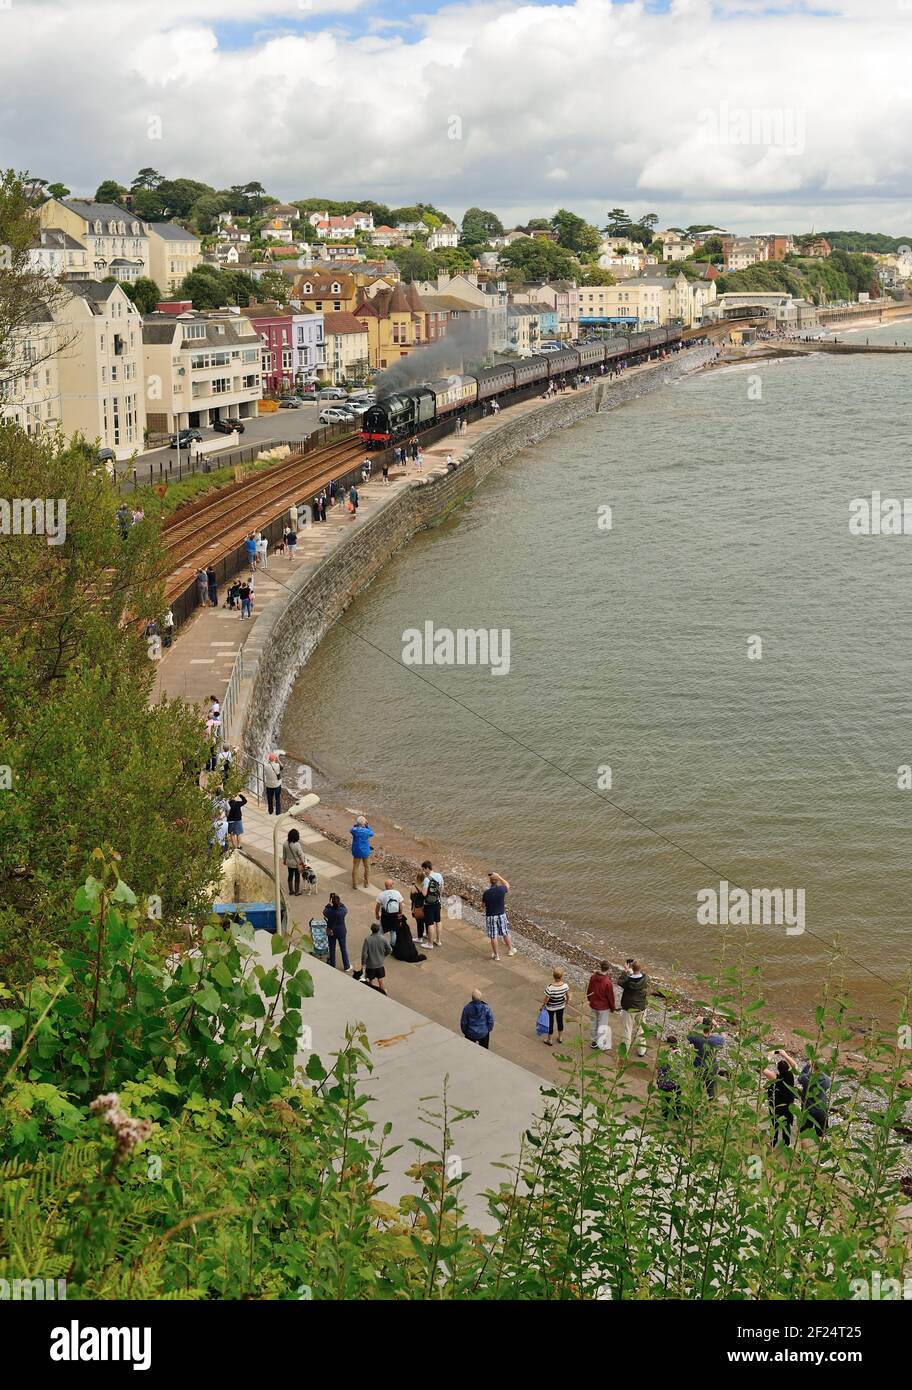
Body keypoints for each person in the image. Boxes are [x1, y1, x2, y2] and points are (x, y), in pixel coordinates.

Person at [686, 1016, 726, 1097]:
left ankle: (695, 1104)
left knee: (697, 1088)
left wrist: (695, 1022)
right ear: (712, 1028)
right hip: (711, 1067)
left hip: (698, 1067)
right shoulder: (716, 1040)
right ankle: (711, 1105)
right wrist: (716, 1024)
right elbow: (723, 1035)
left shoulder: (696, 1038)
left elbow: (688, 1033)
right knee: (711, 1090)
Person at [763, 1053, 796, 1146]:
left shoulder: (775, 1077)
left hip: (777, 1105)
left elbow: (762, 1068)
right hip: (788, 1104)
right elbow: (794, 1065)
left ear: (778, 1069)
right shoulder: (791, 1076)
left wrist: (770, 1056)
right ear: (787, 1068)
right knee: (786, 1123)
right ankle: (787, 1143)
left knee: (774, 1124)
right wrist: (784, 1054)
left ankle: (774, 1142)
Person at [618, 959, 649, 1058]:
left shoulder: (628, 981)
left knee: (627, 1029)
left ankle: (625, 1051)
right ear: (640, 969)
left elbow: (620, 981)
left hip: (629, 1008)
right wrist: (632, 970)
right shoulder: (646, 979)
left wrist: (626, 971)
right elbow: (640, 975)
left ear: (632, 968)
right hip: (641, 1007)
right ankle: (641, 1050)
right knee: (641, 1029)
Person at [482, 871, 516, 961]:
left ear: (490, 882)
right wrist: (499, 876)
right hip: (501, 914)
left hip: (490, 916)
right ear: (497, 881)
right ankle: (510, 950)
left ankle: (496, 955)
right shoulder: (501, 889)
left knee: (493, 936)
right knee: (505, 932)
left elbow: (484, 903)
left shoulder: (486, 893)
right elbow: (507, 885)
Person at [586, 960, 616, 1051]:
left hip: (594, 1003)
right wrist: (612, 1007)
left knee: (593, 1023)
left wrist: (589, 998)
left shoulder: (593, 977)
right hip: (603, 1007)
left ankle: (594, 1042)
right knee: (602, 1025)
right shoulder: (607, 982)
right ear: (608, 969)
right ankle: (601, 1043)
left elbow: (589, 989)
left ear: (600, 967)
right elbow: (610, 996)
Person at [541, 968, 570, 1047]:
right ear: (562, 976)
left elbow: (546, 999)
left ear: (553, 976)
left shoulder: (550, 988)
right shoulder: (565, 986)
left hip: (550, 1007)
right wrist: (566, 1002)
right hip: (561, 1006)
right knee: (560, 1020)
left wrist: (543, 1006)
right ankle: (560, 1037)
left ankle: (549, 1040)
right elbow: (567, 995)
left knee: (550, 1022)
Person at [655, 1036, 684, 1117]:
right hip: (677, 1082)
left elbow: (660, 1067)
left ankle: (665, 1115)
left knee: (665, 1100)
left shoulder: (665, 1055)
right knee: (676, 1099)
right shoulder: (681, 1053)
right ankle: (676, 1115)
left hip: (665, 1083)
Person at [360, 921, 391, 993]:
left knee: (370, 980)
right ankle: (383, 991)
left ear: (371, 929)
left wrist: (363, 963)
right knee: (380, 979)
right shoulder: (383, 938)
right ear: (379, 929)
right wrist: (384, 955)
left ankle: (371, 992)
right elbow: (389, 949)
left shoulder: (367, 939)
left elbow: (364, 954)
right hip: (380, 963)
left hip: (370, 965)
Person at [324, 892, 351, 971]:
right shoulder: (342, 911)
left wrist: (329, 903)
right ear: (339, 902)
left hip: (331, 931)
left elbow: (324, 911)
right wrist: (338, 902)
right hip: (341, 931)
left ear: (332, 902)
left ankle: (332, 964)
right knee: (343, 948)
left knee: (332, 948)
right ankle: (346, 965)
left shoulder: (328, 911)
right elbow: (345, 907)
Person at [421, 859, 444, 949]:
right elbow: (442, 888)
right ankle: (438, 940)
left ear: (427, 868)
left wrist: (421, 888)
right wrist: (438, 897)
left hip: (428, 904)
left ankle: (430, 943)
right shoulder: (439, 875)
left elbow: (424, 893)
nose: (423, 872)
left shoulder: (427, 879)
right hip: (437, 902)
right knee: (438, 921)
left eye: (423, 869)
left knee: (430, 923)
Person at [375, 878, 404, 947]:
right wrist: (400, 913)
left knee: (381, 930)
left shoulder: (381, 894)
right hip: (395, 915)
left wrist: (377, 914)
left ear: (385, 886)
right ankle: (393, 944)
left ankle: (379, 944)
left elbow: (377, 907)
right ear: (391, 885)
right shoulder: (397, 893)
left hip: (385, 915)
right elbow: (400, 905)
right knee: (393, 931)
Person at [349, 815, 374, 887]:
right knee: (367, 867)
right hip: (365, 851)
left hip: (356, 851)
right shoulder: (366, 831)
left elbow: (351, 829)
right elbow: (372, 833)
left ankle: (354, 884)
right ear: (364, 823)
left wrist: (357, 825)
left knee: (355, 867)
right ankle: (366, 883)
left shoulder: (354, 830)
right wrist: (367, 825)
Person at [282, 827, 307, 895]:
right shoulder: (297, 845)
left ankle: (291, 891)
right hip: (296, 864)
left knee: (290, 876)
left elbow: (284, 853)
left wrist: (284, 860)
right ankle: (297, 891)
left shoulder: (285, 843)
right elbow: (301, 855)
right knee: (297, 876)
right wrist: (304, 863)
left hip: (289, 863)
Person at [410, 872, 427, 944]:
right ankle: (427, 934)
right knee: (426, 921)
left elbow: (412, 898)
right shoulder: (425, 886)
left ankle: (419, 938)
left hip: (417, 907)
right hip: (425, 906)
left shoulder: (414, 887)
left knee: (419, 922)